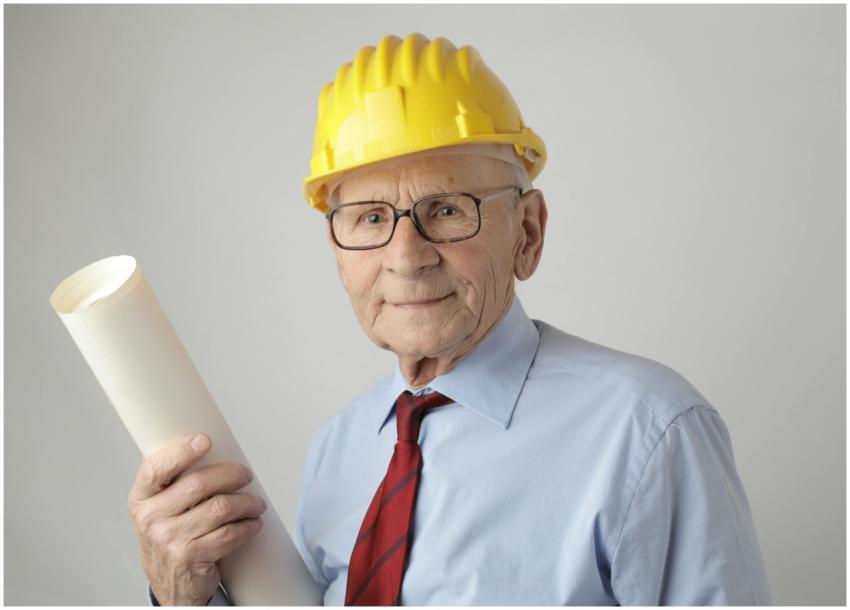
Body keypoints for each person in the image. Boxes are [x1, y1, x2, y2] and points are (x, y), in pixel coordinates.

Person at [131, 33, 772, 606]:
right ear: (337, 251)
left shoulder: (649, 432)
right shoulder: (340, 448)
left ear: (527, 231)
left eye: (446, 209)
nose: (405, 258)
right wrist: (182, 597)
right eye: (371, 218)